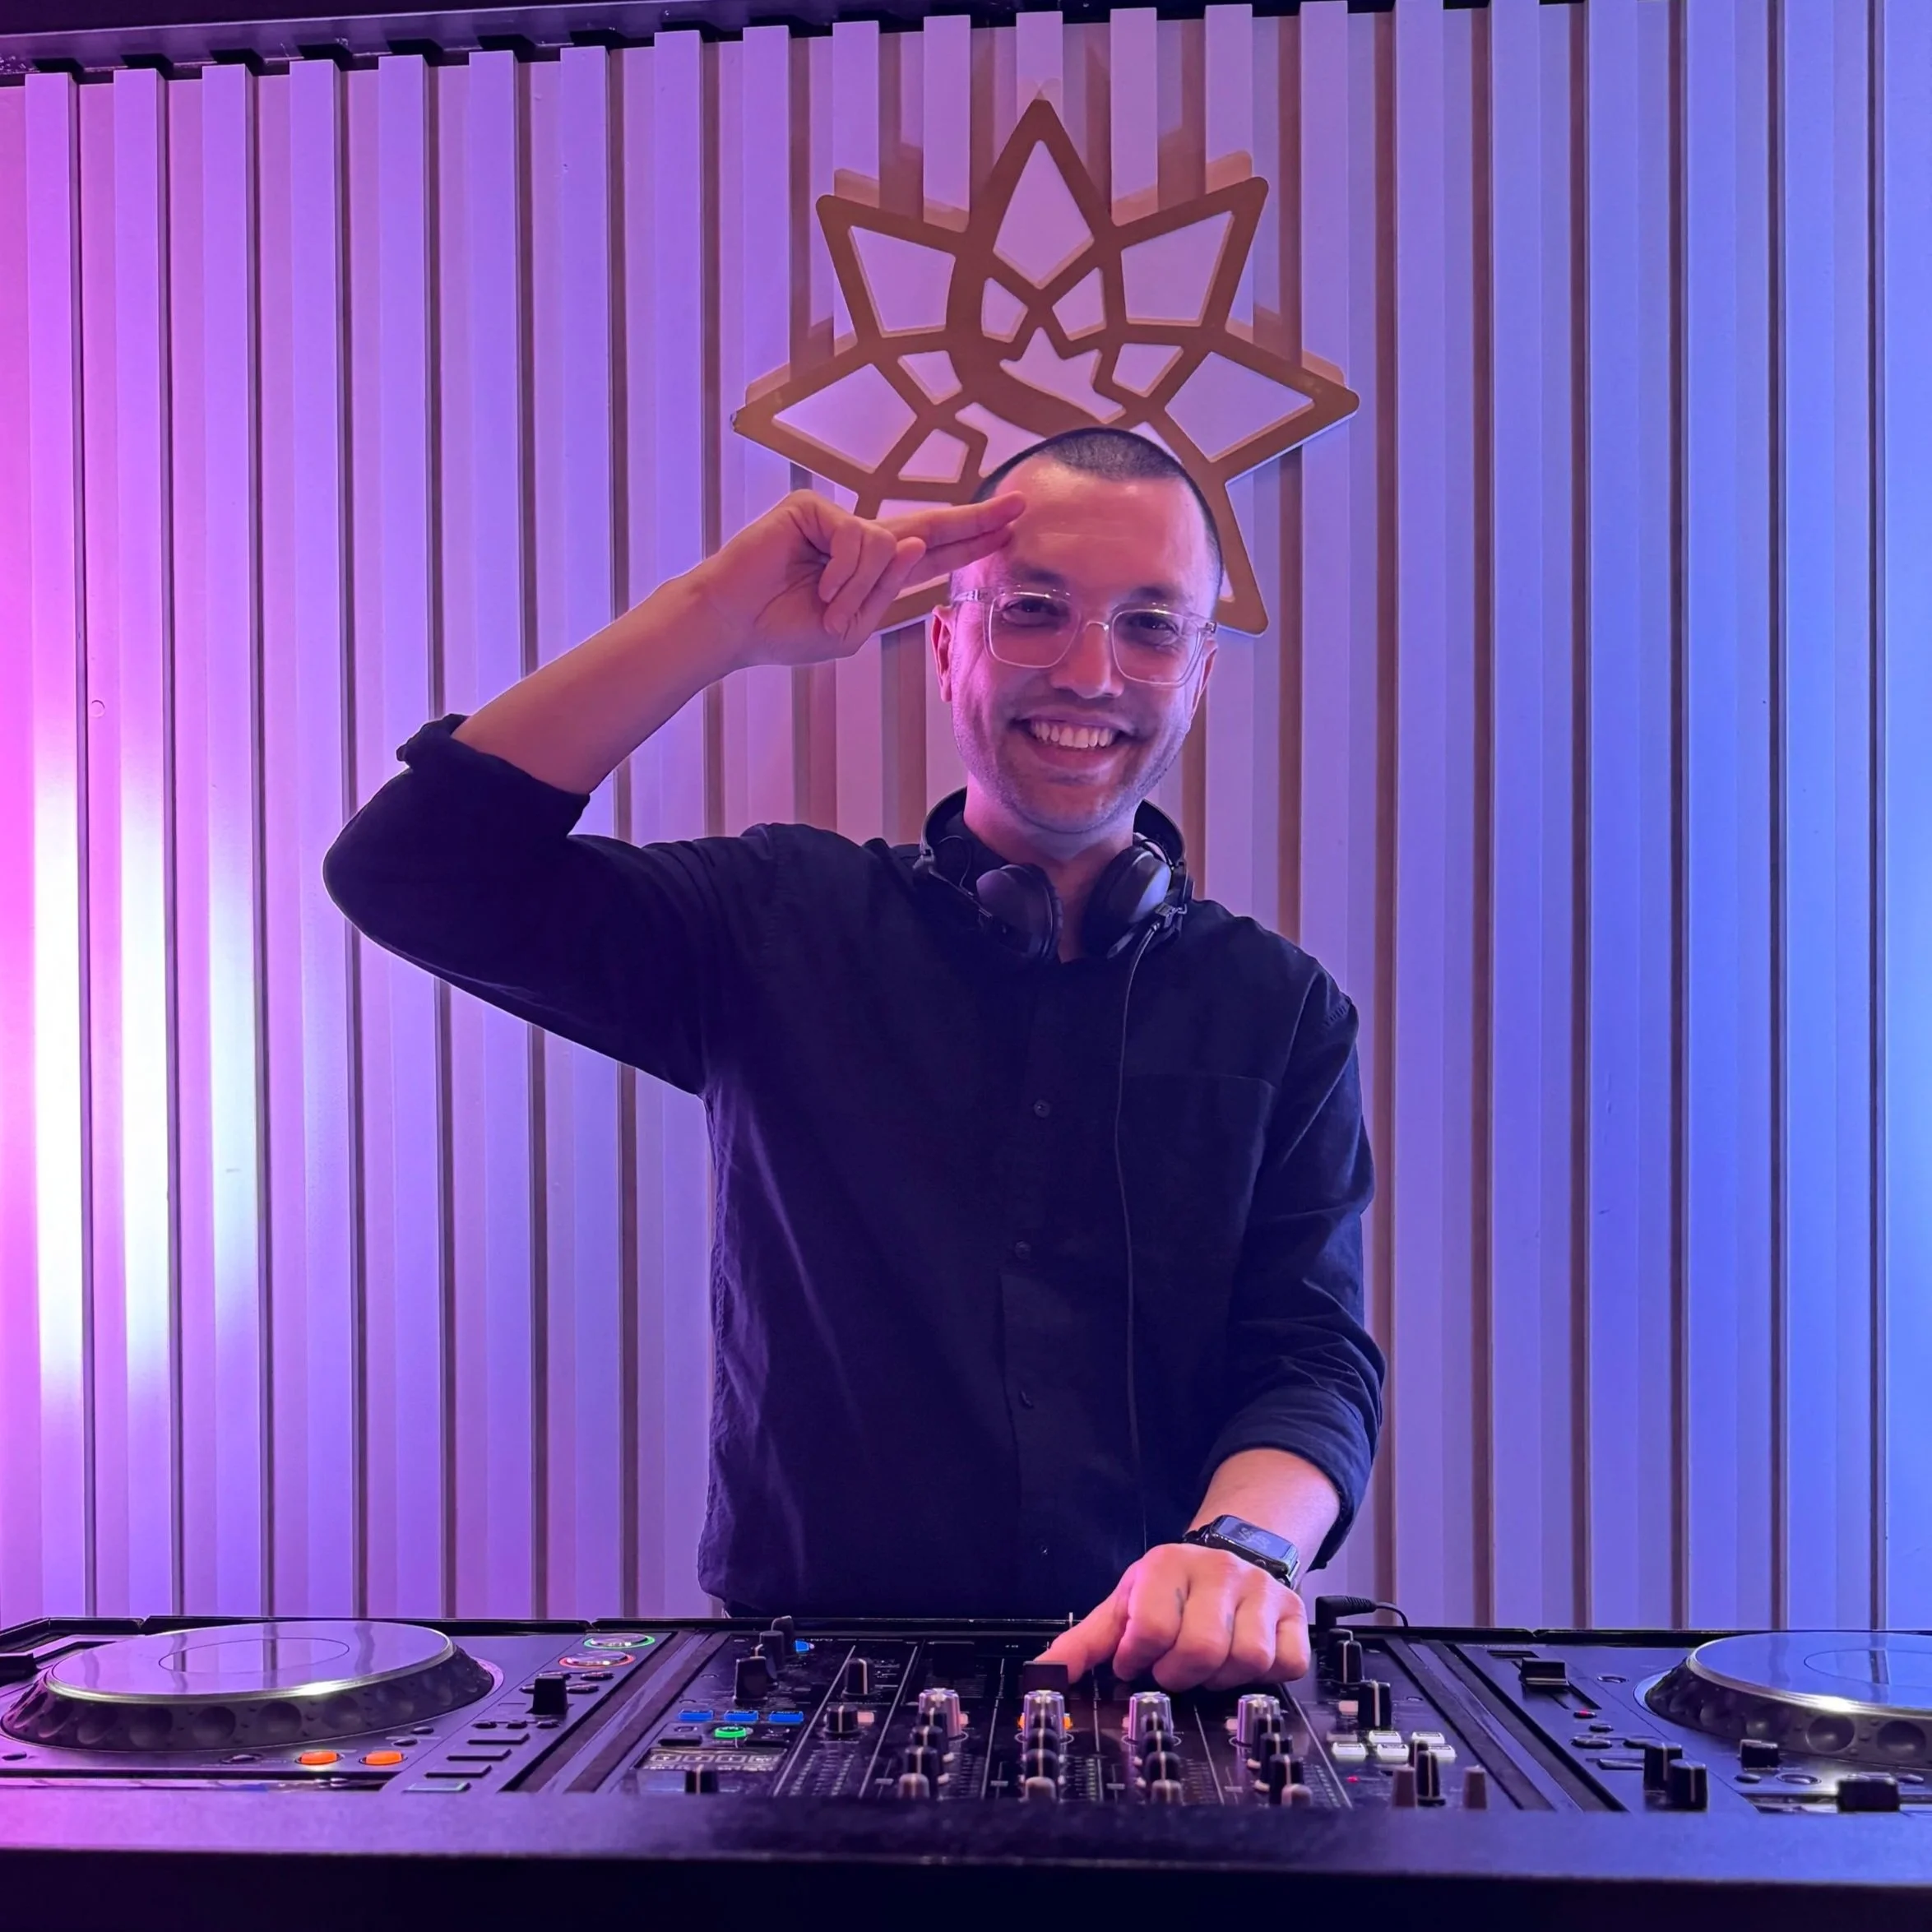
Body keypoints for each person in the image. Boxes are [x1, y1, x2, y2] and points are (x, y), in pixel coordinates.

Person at [323, 427, 1383, 1692]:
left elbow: (1312, 1359)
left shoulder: (1282, 1009)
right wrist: (712, 619)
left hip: (1157, 1675)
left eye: (1151, 626)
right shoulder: (777, 919)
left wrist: (1242, 1548)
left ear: (1197, 675)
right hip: (811, 1685)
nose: (1091, 673)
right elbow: (411, 872)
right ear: (945, 645)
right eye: (1034, 610)